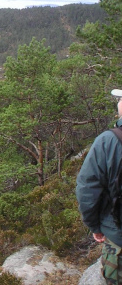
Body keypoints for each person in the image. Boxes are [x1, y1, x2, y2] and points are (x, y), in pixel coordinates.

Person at [77, 89, 122, 283]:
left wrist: (94, 225)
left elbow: (87, 190)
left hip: (118, 234)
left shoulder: (108, 142)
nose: (118, 102)